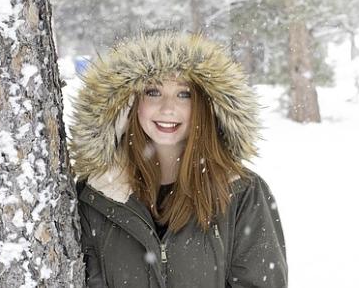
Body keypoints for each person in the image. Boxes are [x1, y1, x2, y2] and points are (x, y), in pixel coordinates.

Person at [70, 31, 287, 287]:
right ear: (129, 103)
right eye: (153, 92)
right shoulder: (96, 194)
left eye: (184, 94)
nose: (168, 108)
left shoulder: (242, 192)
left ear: (207, 105)